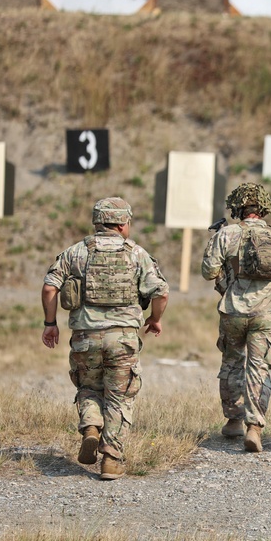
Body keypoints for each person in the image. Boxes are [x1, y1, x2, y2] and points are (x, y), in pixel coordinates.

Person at [41, 197, 169, 480]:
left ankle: (90, 426)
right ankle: (111, 458)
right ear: (124, 224)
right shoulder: (136, 254)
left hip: (85, 337)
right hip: (123, 339)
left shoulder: (76, 252)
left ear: (97, 222)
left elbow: (50, 288)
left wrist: (50, 323)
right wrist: (155, 319)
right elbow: (160, 292)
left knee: (88, 386)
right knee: (119, 397)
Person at [201, 183, 271, 453]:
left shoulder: (226, 234)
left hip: (232, 311)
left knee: (231, 363)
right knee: (259, 367)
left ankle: (233, 420)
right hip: (265, 313)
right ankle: (254, 427)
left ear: (238, 208)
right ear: (264, 209)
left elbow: (208, 272)